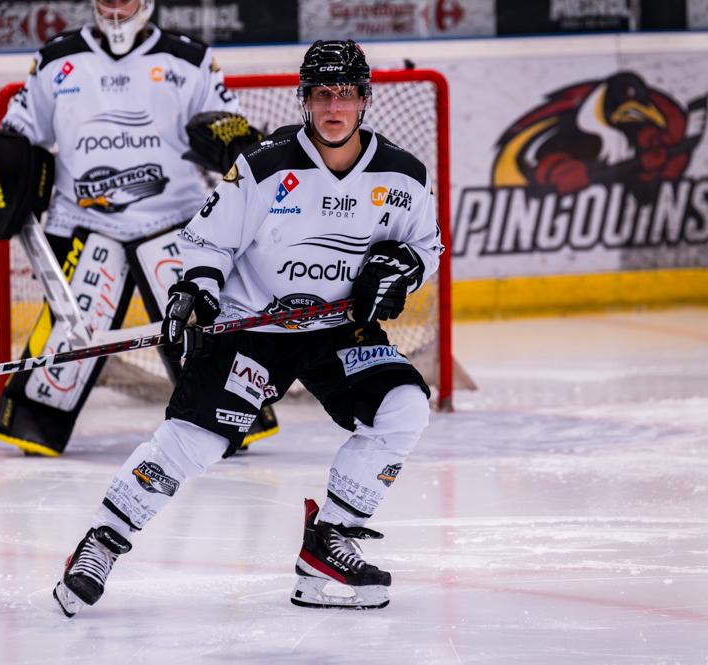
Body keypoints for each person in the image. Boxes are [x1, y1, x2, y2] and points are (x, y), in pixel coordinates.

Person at [51, 39, 444, 615]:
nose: (335, 107)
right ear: (305, 100)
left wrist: (404, 269)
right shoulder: (264, 167)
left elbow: (427, 246)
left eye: (347, 94)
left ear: (365, 100)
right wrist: (196, 292)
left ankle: (329, 539)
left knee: (405, 407)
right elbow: (206, 242)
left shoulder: (403, 175)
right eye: (322, 94)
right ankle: (101, 544)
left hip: (337, 329)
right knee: (196, 443)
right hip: (251, 327)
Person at [0, 0, 278, 457]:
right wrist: (7, 160)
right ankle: (37, 420)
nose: (115, 5)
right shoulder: (57, 60)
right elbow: (22, 128)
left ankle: (227, 416)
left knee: (202, 329)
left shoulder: (189, 60)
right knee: (55, 370)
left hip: (177, 222)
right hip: (83, 222)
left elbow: (230, 132)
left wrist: (235, 145)